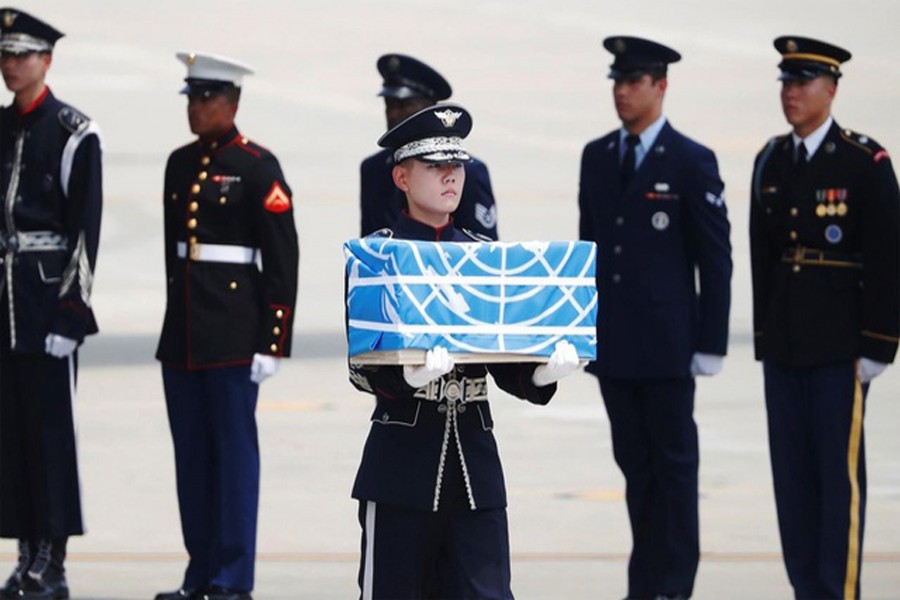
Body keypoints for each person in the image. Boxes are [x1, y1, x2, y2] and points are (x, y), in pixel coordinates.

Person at [348, 103, 580, 599]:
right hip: (402, 464)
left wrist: (541, 373)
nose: (451, 176)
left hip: (474, 463)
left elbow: (503, 359)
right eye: (435, 166)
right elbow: (361, 366)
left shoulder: (481, 255)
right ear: (402, 177)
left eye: (456, 165)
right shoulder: (377, 255)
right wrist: (405, 378)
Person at [577, 36, 732, 600]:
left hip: (668, 348)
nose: (622, 91)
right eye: (617, 81)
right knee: (635, 472)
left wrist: (710, 341)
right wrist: (580, 329)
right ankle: (644, 585)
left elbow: (714, 257)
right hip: (614, 348)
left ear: (661, 86)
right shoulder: (597, 155)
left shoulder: (690, 160)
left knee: (673, 473)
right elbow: (587, 251)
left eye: (634, 81)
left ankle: (673, 586)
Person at [750, 37, 899, 600]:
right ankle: (805, 589)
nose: (791, 93)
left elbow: (887, 256)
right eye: (786, 82)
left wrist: (879, 345)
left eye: (803, 82)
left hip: (840, 351)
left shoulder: (864, 161)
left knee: (837, 486)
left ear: (831, 90)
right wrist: (764, 341)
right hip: (785, 350)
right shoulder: (771, 159)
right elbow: (764, 259)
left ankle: (837, 591)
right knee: (792, 484)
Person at [154, 52, 299, 600]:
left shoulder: (258, 166)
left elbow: (282, 259)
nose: (195, 107)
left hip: (236, 337)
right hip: (185, 338)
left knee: (233, 462)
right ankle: (200, 572)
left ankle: (232, 578)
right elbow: (176, 257)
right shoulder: (178, 163)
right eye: (191, 97)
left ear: (232, 102)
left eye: (206, 97)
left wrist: (273, 339)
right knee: (191, 461)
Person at [0, 8, 102, 600]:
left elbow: (84, 230)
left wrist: (71, 311)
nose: (12, 65)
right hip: (6, 303)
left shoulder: (73, 132)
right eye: (6, 56)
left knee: (49, 437)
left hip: (46, 303)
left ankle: (53, 558)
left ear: (47, 60)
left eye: (23, 55)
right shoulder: (3, 126)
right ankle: (23, 552)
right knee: (11, 437)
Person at [360, 53, 498, 239]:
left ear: (430, 109)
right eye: (389, 105)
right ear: (400, 177)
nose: (394, 114)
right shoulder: (374, 168)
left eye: (405, 105)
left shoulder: (471, 172)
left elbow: (484, 251)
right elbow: (370, 241)